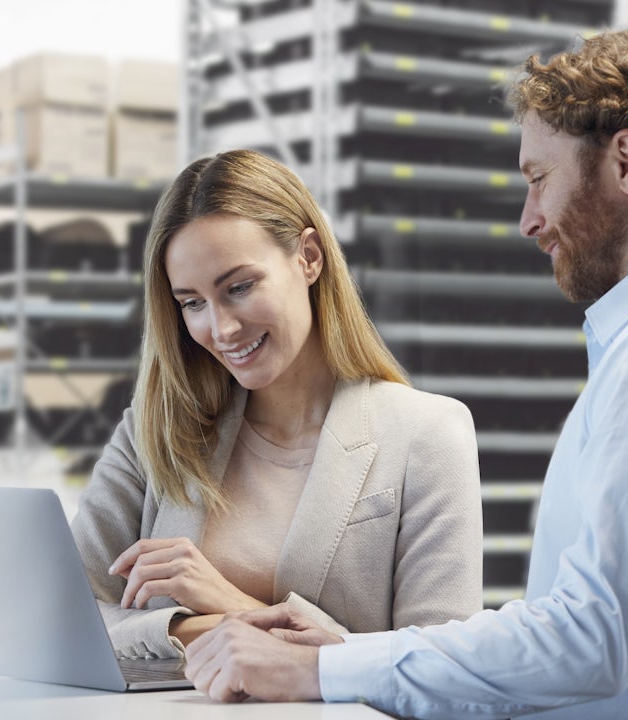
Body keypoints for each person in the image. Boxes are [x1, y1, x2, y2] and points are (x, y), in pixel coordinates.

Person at [182, 19, 628, 719]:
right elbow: (587, 626)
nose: (529, 219)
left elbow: (590, 641)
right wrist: (348, 651)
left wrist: (325, 669)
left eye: (538, 178)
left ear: (624, 163)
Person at [68, 148, 484, 660]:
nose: (220, 329)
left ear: (309, 257)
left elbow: (443, 669)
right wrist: (189, 626)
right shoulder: (154, 432)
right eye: (192, 303)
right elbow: (67, 618)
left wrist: (233, 606)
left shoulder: (427, 433)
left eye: (239, 287)